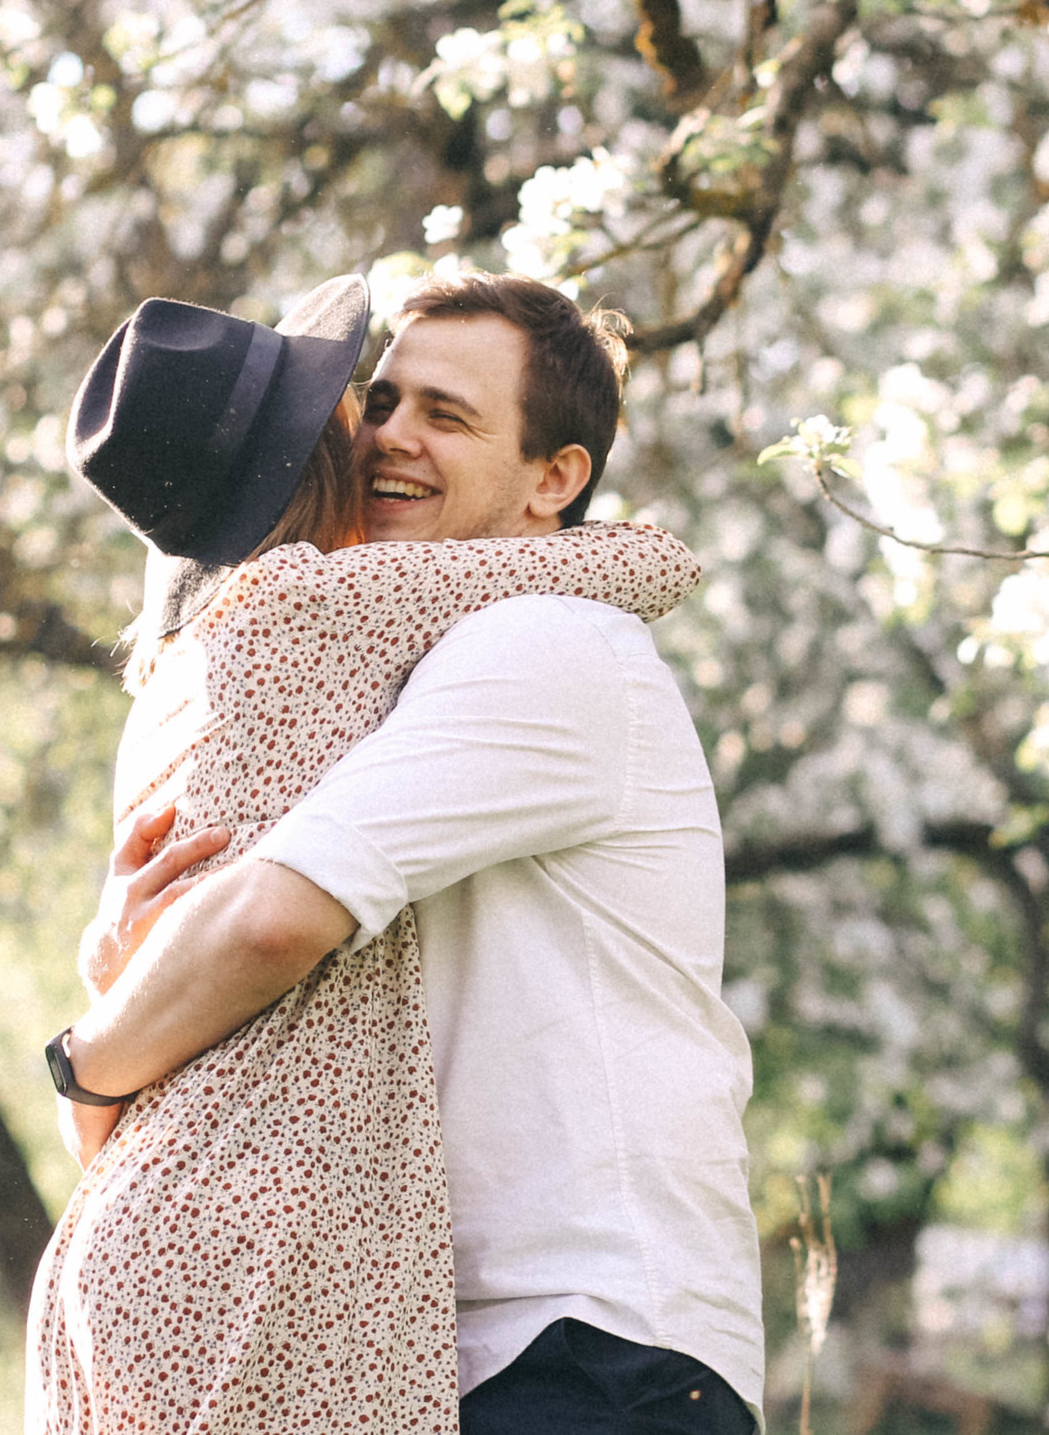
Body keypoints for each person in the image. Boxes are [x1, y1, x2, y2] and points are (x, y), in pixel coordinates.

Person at [58, 273, 765, 1435]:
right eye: (380, 400)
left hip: (584, 1339)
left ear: (556, 479)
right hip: (436, 1348)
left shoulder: (549, 643)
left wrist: (85, 1052)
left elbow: (271, 920)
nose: (390, 435)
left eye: (448, 413)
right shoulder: (356, 676)